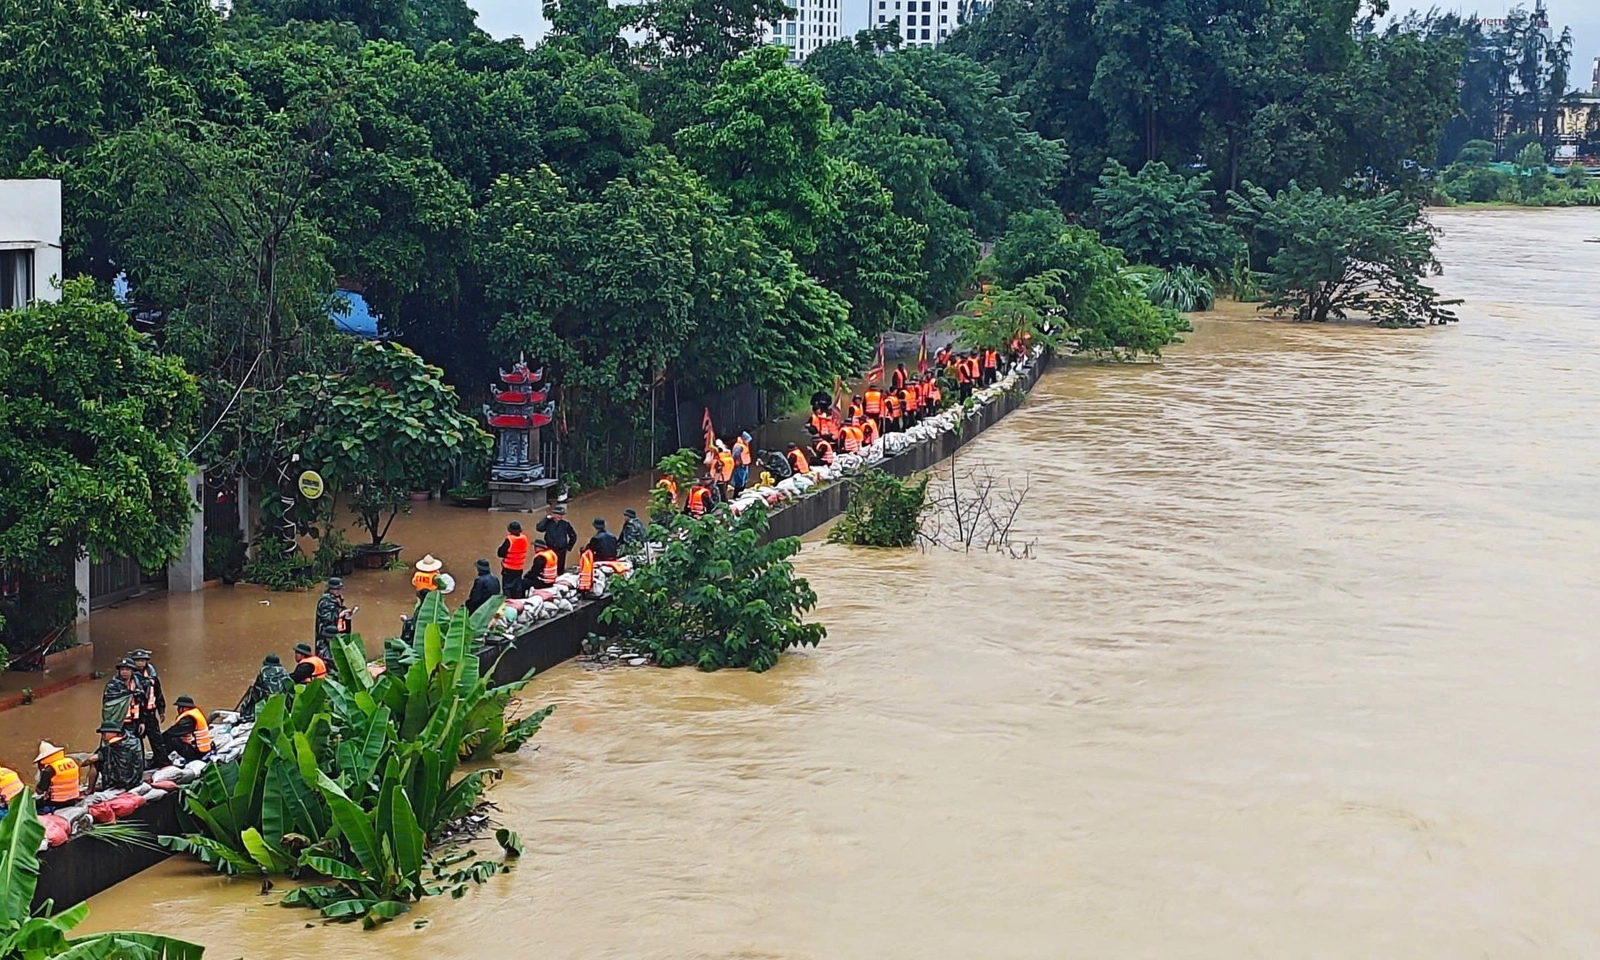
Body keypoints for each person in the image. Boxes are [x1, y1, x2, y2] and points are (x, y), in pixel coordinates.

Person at [82, 720, 145, 793]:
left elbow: (91, 759)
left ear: (113, 732)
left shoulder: (112, 747)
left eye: (104, 734)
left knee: (95, 763)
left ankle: (89, 790)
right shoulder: (134, 740)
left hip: (122, 781)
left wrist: (80, 765)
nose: (102, 737)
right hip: (136, 781)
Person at [237, 653, 292, 720]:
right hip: (281, 699)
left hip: (267, 698)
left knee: (253, 691)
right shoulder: (283, 671)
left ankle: (249, 713)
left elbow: (257, 685)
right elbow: (289, 684)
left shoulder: (263, 670)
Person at [162, 695, 212, 763]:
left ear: (185, 708)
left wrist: (160, 738)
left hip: (197, 752)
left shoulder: (189, 719)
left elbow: (173, 732)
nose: (177, 709)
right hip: (200, 749)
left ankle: (161, 761)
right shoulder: (195, 713)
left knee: (171, 739)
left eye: (179, 707)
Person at [34, 741, 80, 813]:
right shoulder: (71, 761)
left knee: (35, 804)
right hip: (73, 799)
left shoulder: (49, 769)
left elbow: (40, 791)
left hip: (57, 802)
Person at [102, 658, 143, 737]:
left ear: (132, 671)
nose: (125, 672)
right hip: (117, 723)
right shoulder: (112, 686)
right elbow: (108, 707)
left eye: (127, 669)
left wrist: (142, 722)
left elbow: (141, 704)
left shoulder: (137, 685)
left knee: (134, 745)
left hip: (134, 722)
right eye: (122, 669)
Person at [314, 578, 351, 661]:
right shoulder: (325, 602)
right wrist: (340, 614)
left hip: (337, 631)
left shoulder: (337, 599)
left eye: (339, 589)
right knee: (326, 657)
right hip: (326, 635)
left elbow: (339, 611)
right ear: (330, 589)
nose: (338, 591)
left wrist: (347, 615)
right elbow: (326, 618)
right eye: (336, 589)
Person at [537, 503, 577, 574]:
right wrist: (546, 518)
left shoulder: (565, 524)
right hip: (550, 549)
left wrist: (569, 547)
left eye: (561, 515)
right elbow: (539, 528)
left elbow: (573, 536)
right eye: (558, 514)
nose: (559, 516)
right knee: (549, 566)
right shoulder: (548, 523)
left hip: (561, 550)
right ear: (553, 514)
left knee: (560, 568)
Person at [497, 520, 530, 599]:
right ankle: (517, 601)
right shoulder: (524, 538)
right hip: (519, 567)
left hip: (509, 568)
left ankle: (508, 603)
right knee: (517, 587)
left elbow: (500, 553)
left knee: (507, 587)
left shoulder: (510, 540)